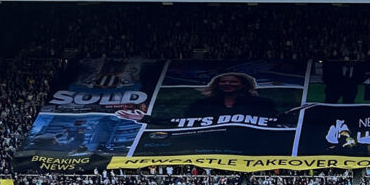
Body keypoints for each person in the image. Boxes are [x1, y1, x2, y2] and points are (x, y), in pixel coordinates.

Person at [116, 72, 276, 124]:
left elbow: (277, 121)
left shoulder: (261, 103)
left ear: (243, 85)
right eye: (224, 81)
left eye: (233, 81)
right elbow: (179, 121)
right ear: (216, 84)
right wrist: (146, 119)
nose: (228, 84)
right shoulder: (201, 104)